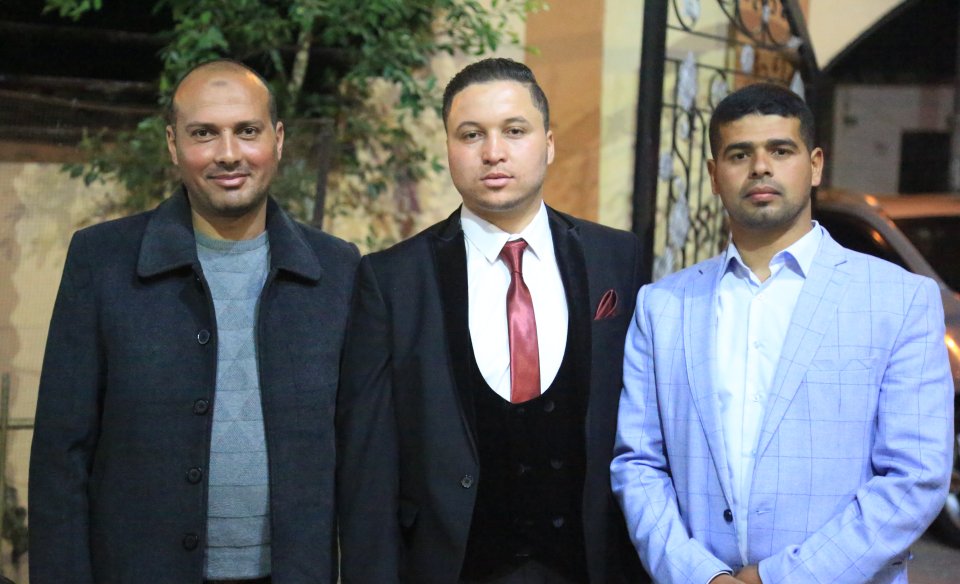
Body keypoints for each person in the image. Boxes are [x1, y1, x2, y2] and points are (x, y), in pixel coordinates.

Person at [29, 59, 360, 583]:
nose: (228, 153)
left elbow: (364, 458)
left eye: (247, 131)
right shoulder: (102, 261)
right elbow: (60, 456)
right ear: (173, 143)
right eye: (204, 133)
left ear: (277, 140)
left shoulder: (337, 270)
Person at [611, 82, 954, 584]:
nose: (760, 167)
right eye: (739, 154)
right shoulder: (663, 306)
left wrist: (780, 577)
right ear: (713, 174)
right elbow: (638, 464)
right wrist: (698, 574)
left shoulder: (898, 300)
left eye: (780, 150)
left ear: (814, 165)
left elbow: (915, 476)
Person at [337, 58, 649, 584]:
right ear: (448, 148)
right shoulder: (391, 279)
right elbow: (368, 466)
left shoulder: (616, 258)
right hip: (447, 565)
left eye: (514, 130)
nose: (493, 152)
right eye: (471, 134)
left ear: (548, 143)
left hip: (591, 562)